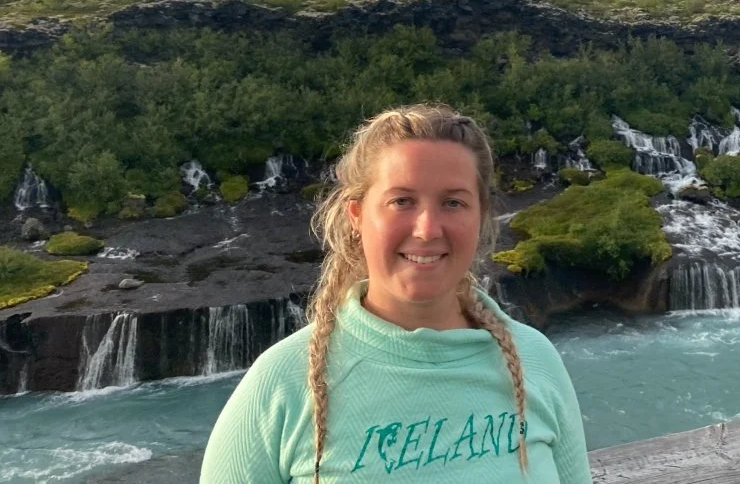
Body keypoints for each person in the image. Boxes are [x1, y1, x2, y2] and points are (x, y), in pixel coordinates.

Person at [200, 104, 593, 483]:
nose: (426, 229)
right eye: (401, 201)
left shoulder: (536, 361)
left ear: (482, 217)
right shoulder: (280, 386)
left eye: (453, 202)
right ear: (357, 216)